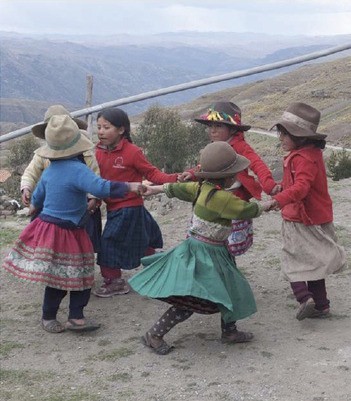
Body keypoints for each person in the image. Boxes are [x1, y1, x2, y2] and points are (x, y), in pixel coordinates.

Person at [129, 141, 276, 355]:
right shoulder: (223, 199)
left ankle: (230, 331)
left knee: (229, 289)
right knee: (192, 300)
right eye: (235, 173)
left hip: (209, 251)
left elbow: (175, 188)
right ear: (227, 177)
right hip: (206, 256)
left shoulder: (199, 188)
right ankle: (154, 334)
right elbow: (248, 209)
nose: (237, 177)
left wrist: (154, 189)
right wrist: (269, 204)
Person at [3, 115, 144, 333]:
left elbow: (38, 198)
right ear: (79, 146)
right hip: (70, 231)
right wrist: (130, 186)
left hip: (50, 229)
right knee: (82, 275)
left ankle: (49, 317)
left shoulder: (50, 171)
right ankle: (75, 317)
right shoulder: (78, 170)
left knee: (56, 277)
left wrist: (33, 205)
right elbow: (101, 188)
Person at [269, 102, 346, 320]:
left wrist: (277, 200)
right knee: (313, 263)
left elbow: (302, 188)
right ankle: (322, 306)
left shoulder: (302, 158)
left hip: (299, 218)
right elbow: (299, 183)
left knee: (291, 258)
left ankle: (304, 298)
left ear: (299, 136)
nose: (280, 139)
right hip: (316, 216)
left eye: (284, 135)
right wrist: (282, 187)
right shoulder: (311, 155)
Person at [93, 107, 180, 298]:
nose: (100, 131)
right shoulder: (96, 153)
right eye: (98, 127)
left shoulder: (132, 152)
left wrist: (176, 179)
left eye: (106, 127)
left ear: (121, 130)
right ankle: (157, 272)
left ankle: (115, 282)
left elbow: (153, 174)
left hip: (129, 207)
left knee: (109, 243)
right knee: (145, 238)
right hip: (117, 207)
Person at [179, 101, 280, 257]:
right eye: (210, 126)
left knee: (227, 246)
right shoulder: (214, 146)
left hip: (232, 201)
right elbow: (205, 166)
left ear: (232, 129)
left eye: (218, 126)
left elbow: (257, 164)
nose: (212, 130)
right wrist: (192, 174)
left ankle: (225, 271)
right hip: (210, 200)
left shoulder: (241, 147)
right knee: (206, 240)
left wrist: (269, 185)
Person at [20, 104, 102, 252]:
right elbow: (31, 172)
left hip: (78, 204)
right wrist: (26, 187)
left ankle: (76, 260)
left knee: (79, 238)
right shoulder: (42, 155)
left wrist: (93, 198)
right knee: (45, 236)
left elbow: (94, 176)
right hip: (51, 204)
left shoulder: (86, 154)